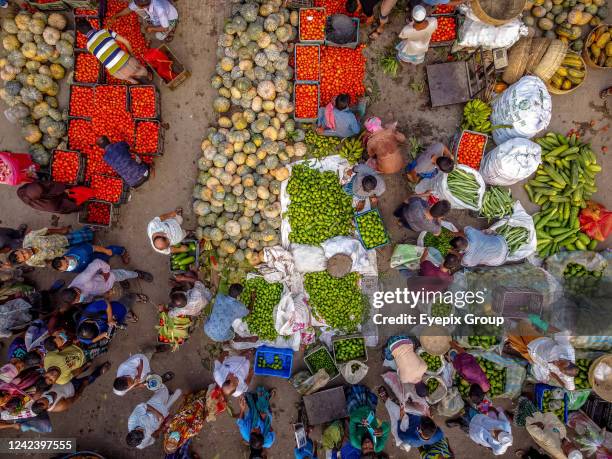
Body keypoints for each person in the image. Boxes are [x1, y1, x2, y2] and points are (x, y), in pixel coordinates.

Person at [506, 321, 577, 391]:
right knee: (521, 325)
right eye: (561, 361)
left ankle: (508, 330)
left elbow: (570, 388)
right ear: (569, 361)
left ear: (563, 372)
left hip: (533, 356)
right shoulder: (566, 349)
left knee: (512, 338)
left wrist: (557, 378)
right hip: (536, 341)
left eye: (559, 366)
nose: (557, 363)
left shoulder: (567, 377)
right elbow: (558, 332)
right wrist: (539, 322)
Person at [76, 18, 151, 85]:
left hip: (117, 73)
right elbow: (126, 42)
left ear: (82, 34)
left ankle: (134, 82)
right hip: (127, 61)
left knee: (128, 77)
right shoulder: (105, 31)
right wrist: (132, 55)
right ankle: (148, 76)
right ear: (90, 24)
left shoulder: (88, 46)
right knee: (140, 69)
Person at [30, 362, 110, 414]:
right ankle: (99, 372)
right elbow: (75, 397)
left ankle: (86, 366)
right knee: (89, 378)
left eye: (39, 401)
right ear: (46, 408)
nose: (43, 400)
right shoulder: (59, 406)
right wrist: (83, 385)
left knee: (80, 369)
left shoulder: (38, 395)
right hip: (74, 388)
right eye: (43, 404)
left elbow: (42, 383)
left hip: (64, 379)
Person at [64, 258, 152, 304]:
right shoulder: (71, 299)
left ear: (76, 290)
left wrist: (106, 272)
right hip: (103, 288)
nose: (79, 300)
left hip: (106, 278)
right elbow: (88, 297)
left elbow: (97, 262)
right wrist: (103, 294)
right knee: (121, 279)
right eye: (76, 301)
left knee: (124, 274)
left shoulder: (84, 278)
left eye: (78, 298)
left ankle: (137, 274)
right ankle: (122, 281)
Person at [126, 384, 182, 449]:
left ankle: (162, 391)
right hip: (161, 419)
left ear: (133, 430)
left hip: (155, 405)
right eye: (143, 433)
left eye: (139, 430)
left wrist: (158, 414)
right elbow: (153, 437)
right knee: (177, 394)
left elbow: (143, 405)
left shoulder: (132, 420)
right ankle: (170, 396)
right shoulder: (142, 445)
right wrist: (163, 427)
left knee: (164, 390)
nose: (142, 430)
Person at [9, 226, 94, 268]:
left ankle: (88, 230)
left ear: (19, 249)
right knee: (80, 249)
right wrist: (58, 264)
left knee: (84, 236)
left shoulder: (30, 237)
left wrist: (61, 230)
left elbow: (47, 231)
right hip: (64, 253)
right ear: (24, 261)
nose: (26, 253)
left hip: (63, 239)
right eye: (24, 257)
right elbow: (46, 263)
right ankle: (88, 243)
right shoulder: (31, 262)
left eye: (22, 252)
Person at [162, 389, 208, 455]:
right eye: (174, 442)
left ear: (167, 439)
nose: (173, 439)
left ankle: (197, 398)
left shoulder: (170, 429)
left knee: (192, 402)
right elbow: (197, 427)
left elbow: (176, 417)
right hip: (195, 415)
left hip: (186, 411)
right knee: (203, 402)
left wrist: (173, 419)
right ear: (178, 443)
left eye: (170, 440)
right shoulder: (186, 435)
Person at [346, 385, 390, 454]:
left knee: (350, 392)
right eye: (371, 448)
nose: (367, 444)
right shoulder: (379, 446)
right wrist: (382, 430)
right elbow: (387, 426)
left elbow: (352, 421)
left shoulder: (355, 441)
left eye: (364, 448)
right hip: (369, 412)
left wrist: (360, 420)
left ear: (361, 450)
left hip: (356, 412)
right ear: (374, 450)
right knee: (369, 399)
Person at [110, 0, 179, 42]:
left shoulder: (159, 10)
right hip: (157, 16)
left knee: (159, 36)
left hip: (170, 18)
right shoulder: (143, 1)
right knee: (136, 10)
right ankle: (154, 21)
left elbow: (165, 28)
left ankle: (173, 26)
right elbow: (129, 9)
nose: (135, 4)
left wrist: (152, 28)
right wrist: (116, 16)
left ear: (143, 6)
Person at [237, 386, 276, 453]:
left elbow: (240, 420)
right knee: (265, 407)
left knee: (248, 397)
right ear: (261, 433)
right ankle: (267, 398)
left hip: (252, 412)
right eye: (255, 430)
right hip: (265, 413)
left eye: (251, 432)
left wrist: (242, 409)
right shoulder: (269, 441)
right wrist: (265, 419)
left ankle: (254, 399)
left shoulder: (244, 431)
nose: (252, 429)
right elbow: (272, 431)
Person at [16, 181, 87, 214]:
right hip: (55, 204)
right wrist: (64, 189)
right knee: (70, 203)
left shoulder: (30, 197)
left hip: (53, 205)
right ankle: (83, 206)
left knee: (69, 205)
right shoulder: (40, 190)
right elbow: (53, 188)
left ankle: (81, 206)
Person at [52, 243, 129, 273]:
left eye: (68, 263)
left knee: (109, 252)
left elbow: (94, 248)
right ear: (61, 270)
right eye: (66, 268)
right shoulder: (66, 269)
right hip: (88, 264)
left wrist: (105, 250)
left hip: (92, 256)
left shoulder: (81, 251)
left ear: (65, 257)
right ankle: (104, 262)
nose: (69, 266)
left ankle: (122, 251)